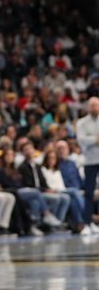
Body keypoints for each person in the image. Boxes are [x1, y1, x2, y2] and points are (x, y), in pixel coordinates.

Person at [18, 141, 69, 227]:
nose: (29, 151)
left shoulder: (37, 166)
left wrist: (48, 189)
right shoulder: (22, 167)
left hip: (40, 191)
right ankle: (47, 216)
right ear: (23, 153)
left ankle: (58, 222)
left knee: (64, 198)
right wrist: (45, 190)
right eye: (26, 150)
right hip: (31, 192)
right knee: (54, 199)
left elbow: (43, 182)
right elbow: (29, 185)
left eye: (30, 149)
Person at [41, 149, 89, 236]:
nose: (52, 160)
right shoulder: (43, 170)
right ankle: (87, 218)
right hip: (53, 190)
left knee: (70, 199)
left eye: (54, 158)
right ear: (46, 159)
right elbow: (45, 184)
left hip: (61, 189)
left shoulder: (57, 170)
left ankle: (61, 224)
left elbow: (61, 184)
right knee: (74, 191)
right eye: (50, 158)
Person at [77, 97, 99, 226]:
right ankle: (87, 222)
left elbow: (87, 139)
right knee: (89, 192)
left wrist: (91, 139)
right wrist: (96, 140)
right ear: (88, 107)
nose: (94, 108)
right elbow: (81, 140)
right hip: (90, 161)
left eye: (96, 105)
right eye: (92, 105)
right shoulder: (81, 123)